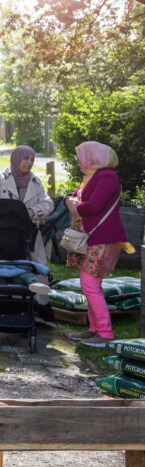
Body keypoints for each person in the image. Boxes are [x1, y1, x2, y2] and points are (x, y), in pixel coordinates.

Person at [0, 146, 54, 310]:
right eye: (25, 158)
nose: (29, 163)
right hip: (0, 234)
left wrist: (32, 211)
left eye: (32, 160)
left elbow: (48, 204)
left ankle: (39, 306)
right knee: (0, 268)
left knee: (34, 268)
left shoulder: (35, 182)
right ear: (16, 158)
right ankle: (6, 306)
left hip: (27, 235)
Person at [65, 142, 134, 347]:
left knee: (90, 285)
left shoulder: (107, 177)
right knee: (91, 285)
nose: (78, 160)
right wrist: (70, 201)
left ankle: (105, 333)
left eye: (80, 156)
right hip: (90, 238)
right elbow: (72, 196)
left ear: (92, 156)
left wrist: (74, 204)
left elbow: (93, 206)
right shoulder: (92, 176)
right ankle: (94, 329)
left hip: (101, 238)